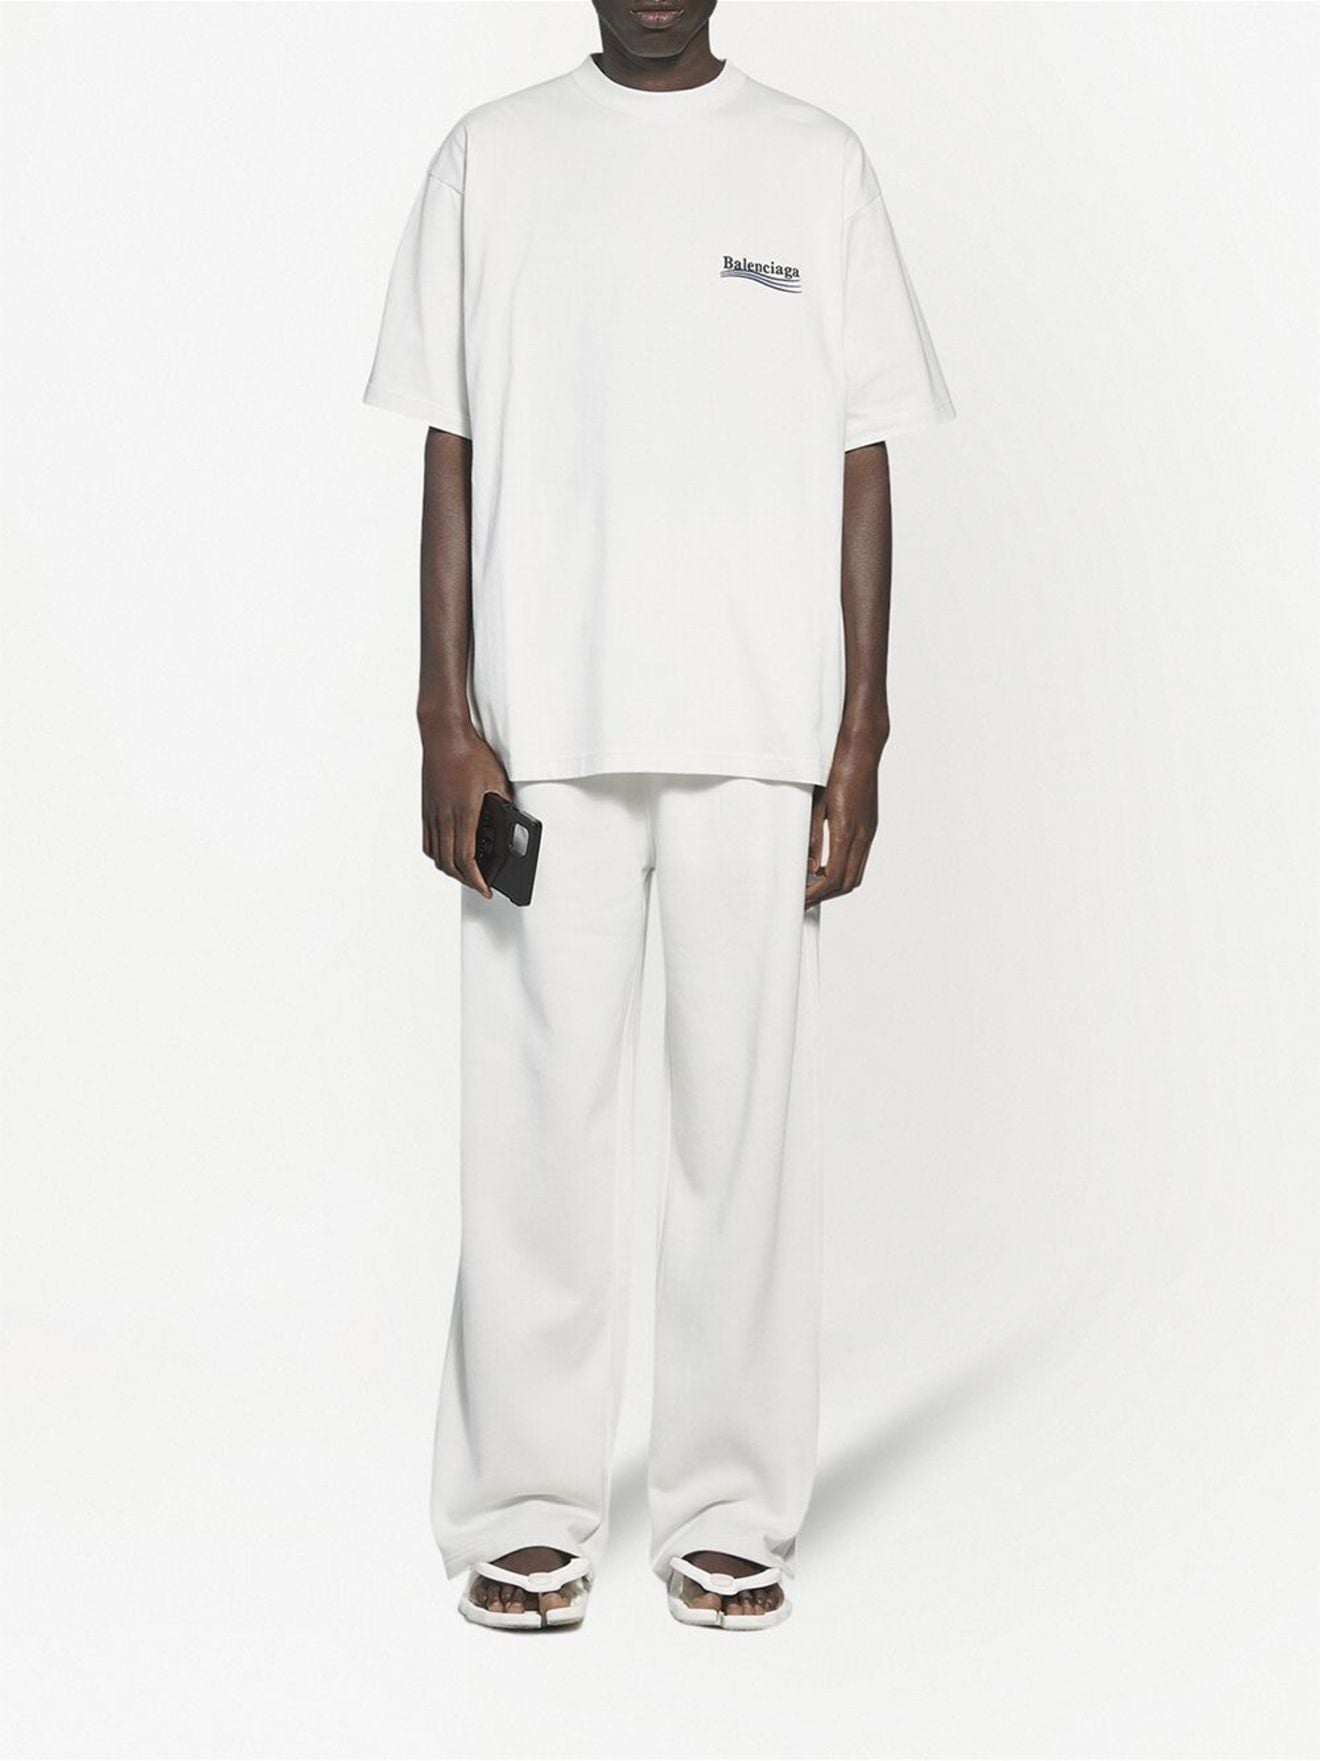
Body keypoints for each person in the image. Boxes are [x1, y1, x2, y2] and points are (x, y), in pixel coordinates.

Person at [362, 0, 955, 1631]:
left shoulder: (814, 164)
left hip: (759, 730)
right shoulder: (492, 159)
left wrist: (862, 727)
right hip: (543, 727)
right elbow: (449, 444)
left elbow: (863, 453)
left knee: (745, 1129)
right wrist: (443, 712)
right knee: (533, 1126)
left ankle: (729, 1500)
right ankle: (523, 1501)